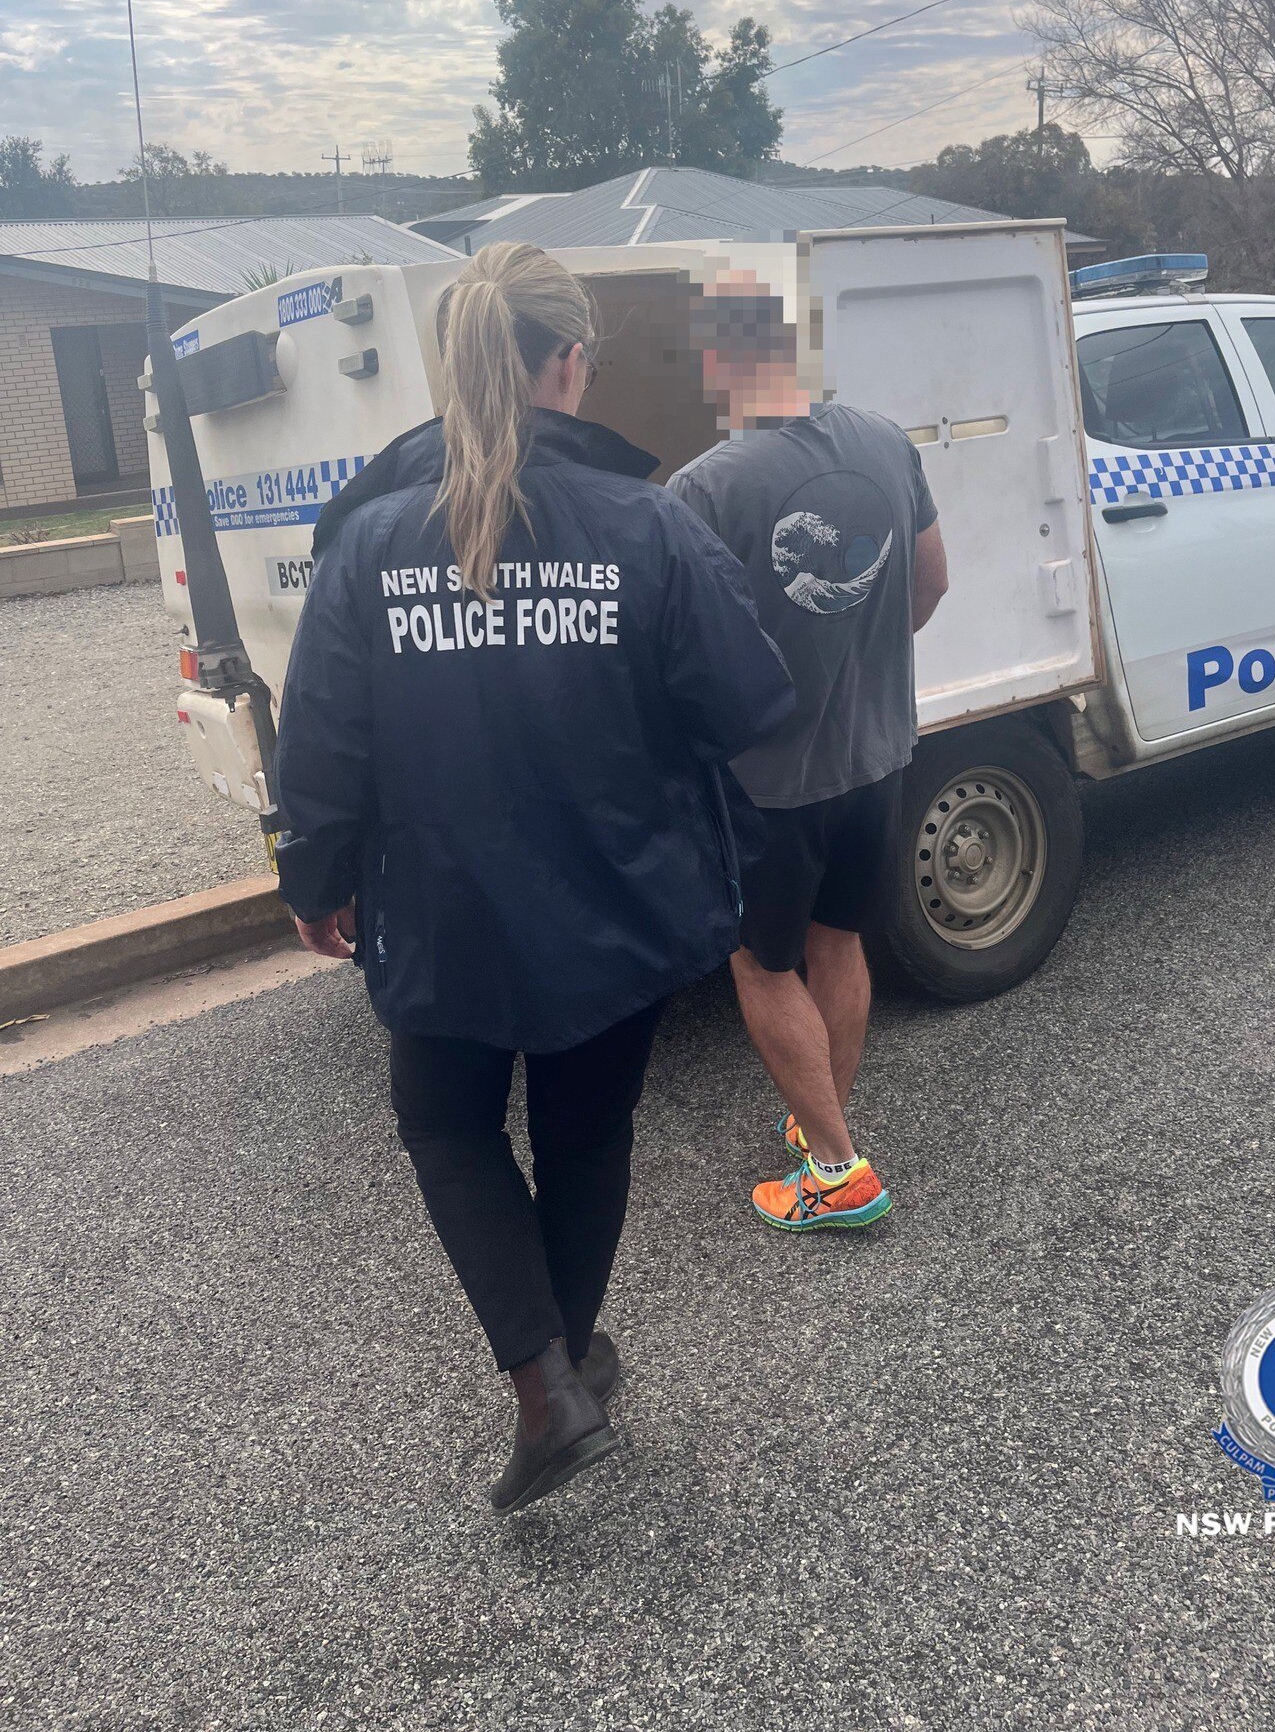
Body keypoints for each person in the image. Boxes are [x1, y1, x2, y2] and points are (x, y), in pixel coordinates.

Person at [273, 243, 792, 1512]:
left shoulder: (372, 534)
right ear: (571, 361)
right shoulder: (648, 521)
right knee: (584, 1133)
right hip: (615, 903)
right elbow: (752, 698)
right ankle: (561, 1363)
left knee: (446, 1122)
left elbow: (321, 735)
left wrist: (315, 873)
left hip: (440, 910)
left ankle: (547, 1380)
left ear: (455, 366)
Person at [667, 276, 949, 1234]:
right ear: (795, 354)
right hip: (878, 753)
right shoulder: (883, 441)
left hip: (767, 781)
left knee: (761, 965)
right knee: (839, 941)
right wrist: (863, 671)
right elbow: (932, 582)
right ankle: (820, 1120)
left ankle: (835, 1169)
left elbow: (686, 654)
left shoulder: (703, 488)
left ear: (721, 364)